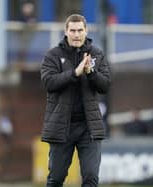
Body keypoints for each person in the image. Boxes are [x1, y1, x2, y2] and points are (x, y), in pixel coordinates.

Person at [40, 14, 111, 187]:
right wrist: (75, 73)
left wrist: (91, 73)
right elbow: (49, 82)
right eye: (73, 30)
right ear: (66, 32)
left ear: (86, 31)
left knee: (91, 178)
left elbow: (105, 86)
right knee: (56, 179)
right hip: (61, 126)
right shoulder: (53, 55)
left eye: (80, 30)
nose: (77, 34)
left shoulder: (97, 54)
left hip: (89, 127)